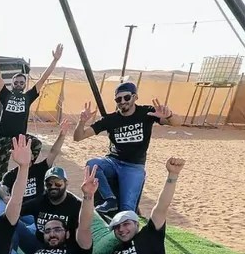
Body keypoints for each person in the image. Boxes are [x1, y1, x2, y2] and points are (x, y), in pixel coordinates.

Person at [74, 82, 175, 212]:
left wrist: (169, 116)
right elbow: (78, 137)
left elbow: (176, 123)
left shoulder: (146, 113)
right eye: (118, 99)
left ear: (135, 97)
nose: (122, 101)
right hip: (113, 161)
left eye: (126, 97)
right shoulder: (111, 119)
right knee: (92, 164)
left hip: (134, 166)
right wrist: (82, 121)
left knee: (127, 210)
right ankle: (110, 199)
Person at [0, 43, 63, 177]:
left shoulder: (28, 97)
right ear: (12, 84)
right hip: (4, 137)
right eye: (16, 82)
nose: (19, 84)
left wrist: (55, 60)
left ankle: (25, 171)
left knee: (37, 144)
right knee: (1, 166)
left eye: (21, 83)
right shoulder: (6, 94)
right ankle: (2, 183)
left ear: (24, 85)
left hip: (20, 138)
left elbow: (43, 79)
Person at [18, 164, 83, 254]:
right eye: (49, 184)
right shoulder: (39, 201)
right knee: (15, 223)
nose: (53, 186)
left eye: (58, 183)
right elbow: (15, 212)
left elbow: (82, 234)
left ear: (66, 183)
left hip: (65, 251)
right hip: (39, 248)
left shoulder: (76, 205)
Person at [0, 123, 67, 210]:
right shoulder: (10, 175)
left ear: (32, 156)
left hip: (39, 209)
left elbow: (53, 152)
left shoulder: (41, 168)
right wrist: (5, 196)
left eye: (26, 153)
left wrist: (62, 135)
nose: (23, 155)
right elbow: (3, 188)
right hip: (20, 211)